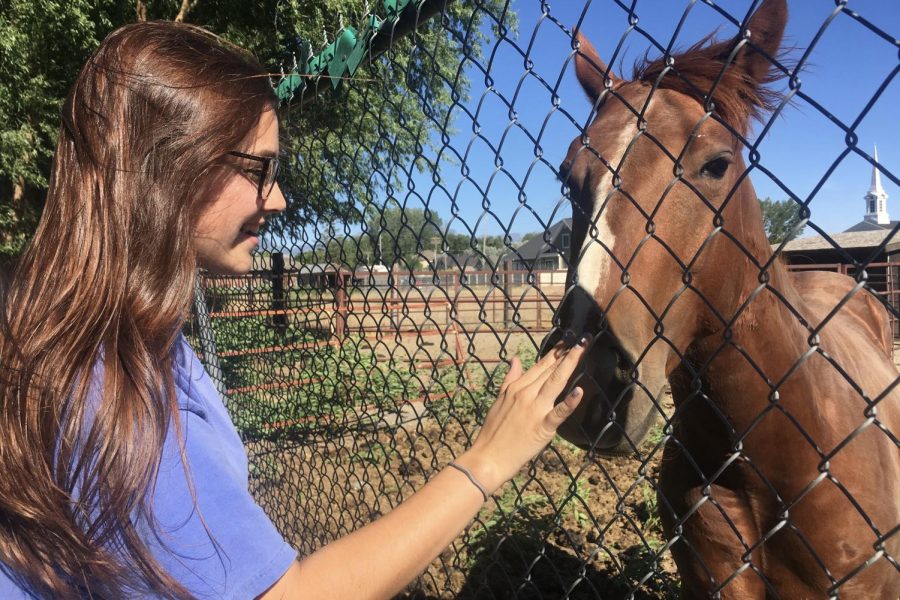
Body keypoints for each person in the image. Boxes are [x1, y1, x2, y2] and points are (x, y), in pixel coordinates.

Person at [0, 21, 589, 599]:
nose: (278, 198)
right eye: (260, 168)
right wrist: (487, 459)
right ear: (171, 164)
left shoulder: (52, 323)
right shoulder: (116, 387)